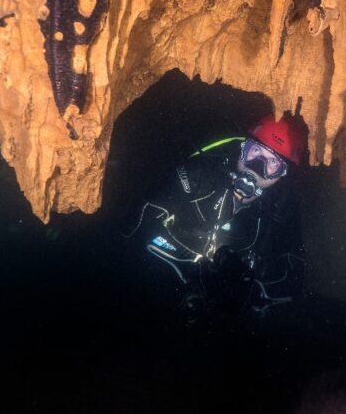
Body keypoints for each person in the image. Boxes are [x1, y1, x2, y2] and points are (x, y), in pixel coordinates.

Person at [123, 114, 307, 325]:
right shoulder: (197, 177)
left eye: (273, 162)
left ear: (281, 175)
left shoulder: (279, 212)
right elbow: (135, 225)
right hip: (152, 298)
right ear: (242, 149)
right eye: (254, 151)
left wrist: (249, 289)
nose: (256, 166)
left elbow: (294, 281)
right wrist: (195, 270)